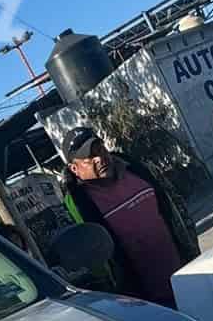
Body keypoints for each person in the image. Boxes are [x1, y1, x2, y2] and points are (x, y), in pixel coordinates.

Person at [58, 127, 200, 307]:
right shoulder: (79, 206)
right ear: (74, 168)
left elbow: (177, 208)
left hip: (189, 280)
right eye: (90, 157)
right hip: (146, 304)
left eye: (99, 149)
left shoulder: (138, 170)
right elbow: (96, 267)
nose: (99, 158)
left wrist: (194, 254)